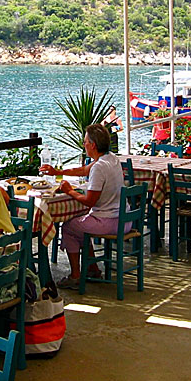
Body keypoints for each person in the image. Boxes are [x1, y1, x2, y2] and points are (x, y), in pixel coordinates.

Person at [40, 124, 123, 289]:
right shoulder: (111, 158)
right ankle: (92, 268)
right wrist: (57, 172)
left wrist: (69, 191)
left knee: (70, 227)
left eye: (85, 141)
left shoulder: (99, 167)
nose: (83, 144)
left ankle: (75, 276)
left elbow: (89, 201)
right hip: (122, 219)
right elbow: (84, 170)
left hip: (109, 221)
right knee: (80, 224)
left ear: (92, 145)